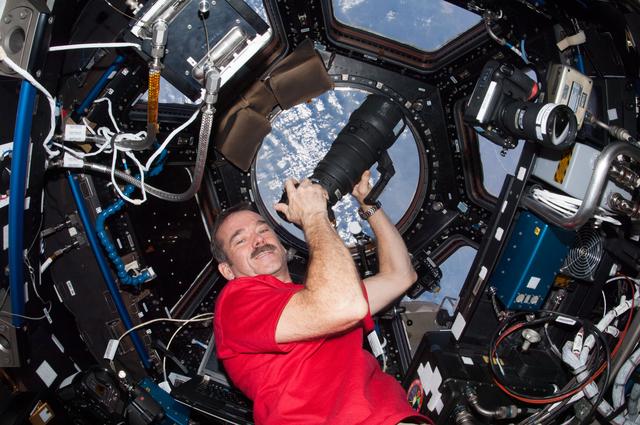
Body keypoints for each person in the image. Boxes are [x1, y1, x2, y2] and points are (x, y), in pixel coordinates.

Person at [212, 170, 430, 425]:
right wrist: (314, 216)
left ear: (282, 246)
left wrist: (368, 204)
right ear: (227, 270)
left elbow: (401, 276)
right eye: (240, 241)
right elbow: (342, 306)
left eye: (263, 230)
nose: (258, 240)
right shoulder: (235, 304)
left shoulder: (319, 294)